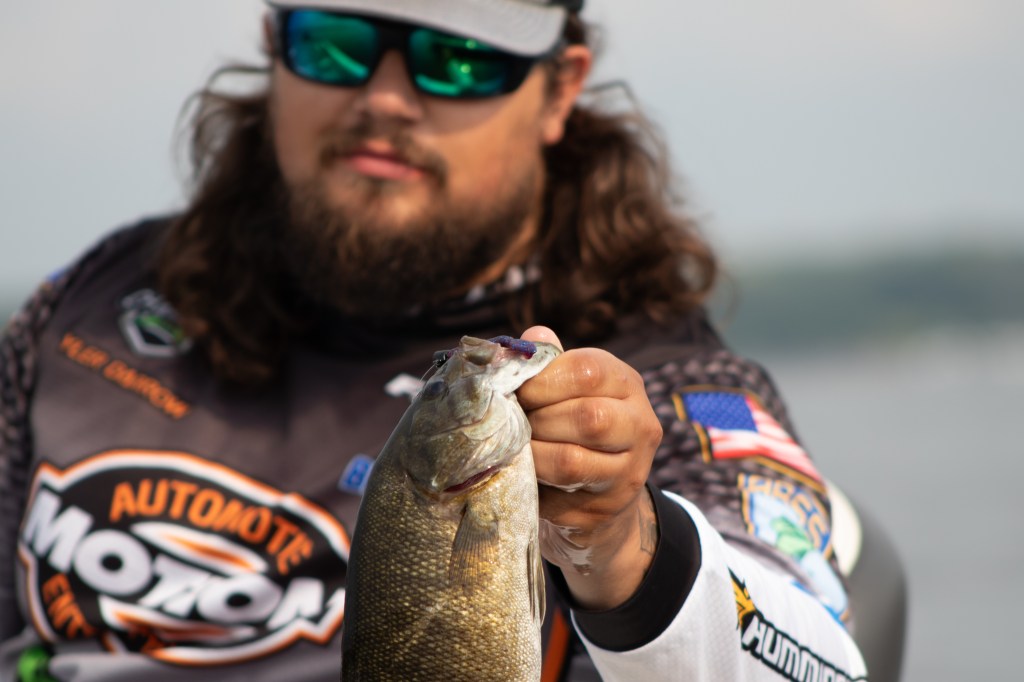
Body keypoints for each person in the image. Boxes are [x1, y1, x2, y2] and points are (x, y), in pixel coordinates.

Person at [0, 1, 872, 680]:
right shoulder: (88, 306)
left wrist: (624, 547)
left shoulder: (667, 380)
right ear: (274, 43)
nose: (384, 99)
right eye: (335, 42)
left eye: (456, 59)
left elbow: (822, 666)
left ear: (559, 90)